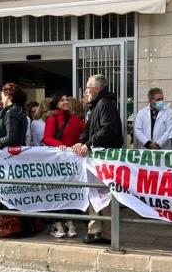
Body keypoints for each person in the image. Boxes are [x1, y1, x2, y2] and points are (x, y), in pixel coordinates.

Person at [72, 74, 123, 244]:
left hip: (104, 158)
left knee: (103, 195)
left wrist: (88, 143)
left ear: (97, 88)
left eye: (88, 86)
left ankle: (106, 232)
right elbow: (89, 130)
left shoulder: (105, 104)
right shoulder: (95, 106)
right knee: (94, 192)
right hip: (97, 158)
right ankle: (96, 230)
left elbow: (108, 129)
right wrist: (81, 142)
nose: (85, 90)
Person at [43, 92, 86, 238]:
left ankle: (68, 223)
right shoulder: (52, 118)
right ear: (56, 103)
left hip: (70, 162)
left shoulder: (74, 118)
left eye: (67, 99)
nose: (66, 101)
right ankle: (60, 224)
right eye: (62, 100)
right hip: (58, 161)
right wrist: (60, 145)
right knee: (58, 192)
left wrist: (82, 144)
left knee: (68, 191)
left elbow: (85, 132)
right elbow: (47, 138)